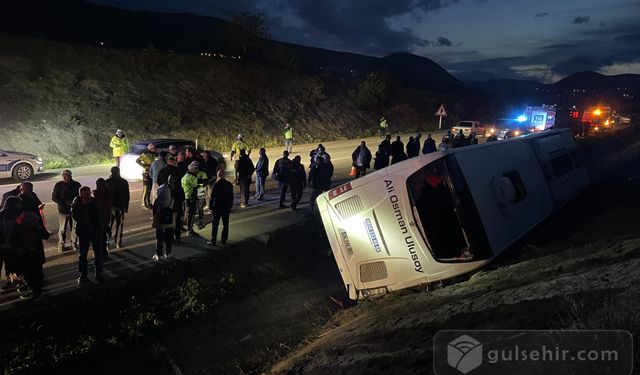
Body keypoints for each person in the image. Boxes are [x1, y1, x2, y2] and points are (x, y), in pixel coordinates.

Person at [10, 199, 50, 300]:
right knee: (37, 272)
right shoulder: (36, 218)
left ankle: (36, 292)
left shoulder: (19, 219)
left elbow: (14, 235)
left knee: (29, 273)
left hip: (25, 252)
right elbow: (45, 235)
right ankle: (37, 291)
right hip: (36, 251)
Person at [72, 186, 104, 284]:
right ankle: (83, 275)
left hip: (95, 231)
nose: (87, 196)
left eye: (88, 193)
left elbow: (99, 215)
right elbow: (76, 217)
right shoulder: (77, 203)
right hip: (84, 232)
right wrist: (84, 206)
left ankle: (98, 274)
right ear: (81, 195)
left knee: (98, 254)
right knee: (83, 255)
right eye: (85, 194)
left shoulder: (94, 201)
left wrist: (102, 228)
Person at [52, 170, 81, 252]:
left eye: (66, 175)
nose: (64, 177)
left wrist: (74, 203)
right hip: (63, 211)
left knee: (74, 228)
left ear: (70, 176)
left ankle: (74, 243)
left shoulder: (76, 185)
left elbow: (80, 196)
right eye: (63, 175)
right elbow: (54, 197)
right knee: (62, 229)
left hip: (74, 210)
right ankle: (61, 244)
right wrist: (64, 203)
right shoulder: (59, 185)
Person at [0, 197, 23, 292]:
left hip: (13, 245)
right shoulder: (1, 215)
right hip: (2, 245)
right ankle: (10, 281)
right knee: (5, 265)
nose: (20, 206)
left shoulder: (20, 216)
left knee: (13, 266)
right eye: (18, 204)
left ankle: (13, 282)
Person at [206, 169, 234, 247]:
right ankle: (224, 240)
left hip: (217, 207)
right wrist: (230, 205)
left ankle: (213, 240)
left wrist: (210, 207)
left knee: (215, 224)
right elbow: (231, 196)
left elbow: (212, 197)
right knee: (226, 224)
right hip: (226, 207)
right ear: (224, 176)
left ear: (218, 176)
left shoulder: (216, 184)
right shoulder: (229, 184)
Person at [105, 166, 129, 249]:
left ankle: (107, 243)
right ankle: (117, 242)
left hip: (110, 206)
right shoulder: (123, 182)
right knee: (119, 225)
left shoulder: (107, 182)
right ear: (119, 172)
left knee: (108, 226)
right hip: (120, 206)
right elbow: (127, 195)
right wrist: (126, 207)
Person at [152, 177, 174, 260]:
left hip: (159, 221)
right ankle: (168, 253)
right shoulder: (172, 200)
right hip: (169, 221)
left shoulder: (157, 201)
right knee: (169, 237)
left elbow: (154, 211)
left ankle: (159, 254)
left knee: (159, 238)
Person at [93, 178, 113, 258]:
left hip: (102, 217)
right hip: (104, 217)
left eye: (98, 185)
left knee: (100, 236)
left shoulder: (100, 194)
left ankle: (102, 254)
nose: (97, 186)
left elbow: (101, 206)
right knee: (103, 235)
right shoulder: (108, 193)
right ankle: (104, 252)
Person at [181, 161, 200, 236]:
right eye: (196, 169)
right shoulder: (192, 177)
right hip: (191, 198)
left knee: (186, 213)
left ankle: (183, 227)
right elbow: (197, 186)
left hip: (185, 197)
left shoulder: (185, 176)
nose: (197, 171)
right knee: (191, 214)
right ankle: (190, 230)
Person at [136, 143, 156, 209]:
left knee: (149, 188)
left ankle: (148, 202)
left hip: (151, 173)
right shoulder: (145, 154)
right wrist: (144, 166)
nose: (155, 149)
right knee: (146, 188)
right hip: (146, 173)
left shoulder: (153, 155)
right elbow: (137, 160)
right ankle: (144, 203)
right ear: (150, 149)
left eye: (155, 148)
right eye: (153, 148)